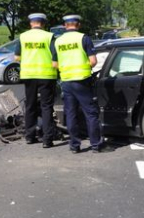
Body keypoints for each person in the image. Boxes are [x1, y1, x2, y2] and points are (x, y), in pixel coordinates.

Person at [51, 14, 104, 153]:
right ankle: (95, 145)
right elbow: (93, 61)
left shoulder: (58, 41)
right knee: (90, 113)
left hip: (66, 82)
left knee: (71, 113)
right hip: (82, 81)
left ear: (65, 26)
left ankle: (74, 145)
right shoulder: (84, 38)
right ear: (78, 25)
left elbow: (54, 64)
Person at [14, 13, 58, 148]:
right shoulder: (49, 36)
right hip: (46, 75)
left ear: (30, 23)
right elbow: (55, 56)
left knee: (30, 105)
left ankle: (30, 136)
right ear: (43, 23)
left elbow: (16, 57)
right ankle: (47, 140)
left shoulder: (23, 37)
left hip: (29, 75)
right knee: (46, 107)